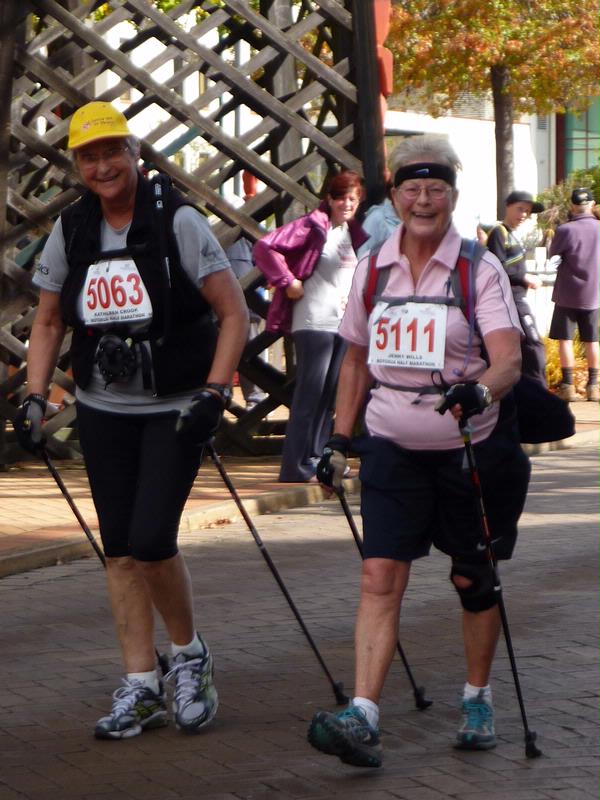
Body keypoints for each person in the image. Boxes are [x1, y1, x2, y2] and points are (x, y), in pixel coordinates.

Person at [13, 101, 249, 739]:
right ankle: (141, 683)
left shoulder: (179, 221)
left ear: (134, 155)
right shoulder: (73, 229)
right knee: (117, 549)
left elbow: (234, 314)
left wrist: (214, 391)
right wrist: (35, 396)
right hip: (102, 407)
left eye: (111, 152)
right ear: (78, 166)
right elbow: (48, 320)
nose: (102, 166)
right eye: (88, 157)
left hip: (173, 409)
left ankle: (189, 656)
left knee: (150, 540)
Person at [306, 134, 530, 768]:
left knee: (471, 577)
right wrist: (341, 440)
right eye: (412, 188)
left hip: (469, 449)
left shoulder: (477, 267)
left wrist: (479, 392)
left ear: (453, 198)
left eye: (436, 189)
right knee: (380, 575)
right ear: (396, 196)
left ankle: (478, 698)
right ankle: (364, 715)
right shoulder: (374, 266)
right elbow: (354, 358)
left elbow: (508, 360)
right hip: (392, 445)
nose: (423, 200)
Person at [253, 171, 368, 482]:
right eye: (342, 197)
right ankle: (294, 465)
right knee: (310, 392)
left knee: (329, 393)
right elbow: (265, 247)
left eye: (353, 199)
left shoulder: (349, 231)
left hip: (342, 323)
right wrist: (287, 280)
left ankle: (318, 458)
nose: (347, 204)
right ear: (329, 199)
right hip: (314, 319)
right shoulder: (312, 226)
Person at [485, 190, 547, 386]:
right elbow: (497, 267)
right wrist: (524, 277)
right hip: (511, 299)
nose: (524, 215)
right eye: (520, 209)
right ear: (508, 207)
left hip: (517, 298)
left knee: (523, 347)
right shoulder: (498, 232)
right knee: (533, 343)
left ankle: (530, 391)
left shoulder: (512, 235)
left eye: (527, 212)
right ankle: (541, 391)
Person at [548, 187, 600, 402]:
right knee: (592, 341)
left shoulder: (565, 230)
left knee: (565, 340)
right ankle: (593, 387)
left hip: (567, 293)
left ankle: (568, 386)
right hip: (594, 294)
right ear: (592, 203)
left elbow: (552, 253)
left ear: (572, 206)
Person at [224, 236, 267, 410]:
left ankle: (255, 399)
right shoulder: (211, 231)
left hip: (248, 308)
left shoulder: (247, 239)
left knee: (251, 352)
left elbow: (263, 264)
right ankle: (222, 398)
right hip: (221, 310)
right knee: (223, 353)